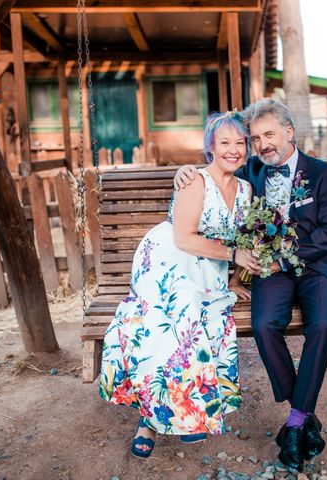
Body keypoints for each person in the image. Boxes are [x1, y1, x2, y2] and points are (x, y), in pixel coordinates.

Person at [174, 99, 327, 471]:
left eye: (268, 135)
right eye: (255, 138)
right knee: (263, 325)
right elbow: (217, 167)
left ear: (289, 133)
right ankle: (304, 416)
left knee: (322, 324)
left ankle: (293, 422)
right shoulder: (252, 170)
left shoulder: (322, 174)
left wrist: (283, 258)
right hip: (269, 269)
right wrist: (184, 170)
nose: (261, 145)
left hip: (316, 267)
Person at [99, 111, 259, 459]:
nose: (233, 150)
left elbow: (243, 238)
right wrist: (234, 255)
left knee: (212, 319)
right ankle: (151, 419)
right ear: (211, 148)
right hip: (168, 259)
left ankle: (179, 413)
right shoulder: (195, 182)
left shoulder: (245, 190)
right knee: (174, 319)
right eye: (225, 143)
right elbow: (185, 239)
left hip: (208, 266)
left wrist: (233, 276)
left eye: (240, 143)